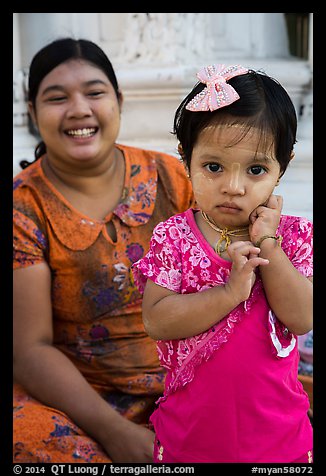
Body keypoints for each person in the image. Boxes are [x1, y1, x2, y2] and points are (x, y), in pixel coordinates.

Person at [13, 37, 194, 463]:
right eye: (57, 98)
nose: (79, 109)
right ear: (33, 114)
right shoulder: (24, 207)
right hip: (80, 396)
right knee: (28, 438)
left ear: (119, 101)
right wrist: (114, 433)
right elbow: (30, 349)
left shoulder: (174, 177)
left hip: (188, 379)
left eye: (95, 93)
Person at [132, 64, 313, 463]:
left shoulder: (294, 237)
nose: (234, 186)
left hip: (280, 442)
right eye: (214, 167)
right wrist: (230, 292)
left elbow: (301, 318)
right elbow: (157, 320)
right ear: (186, 158)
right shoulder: (174, 238)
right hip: (190, 439)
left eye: (256, 170)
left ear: (283, 166)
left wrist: (269, 245)